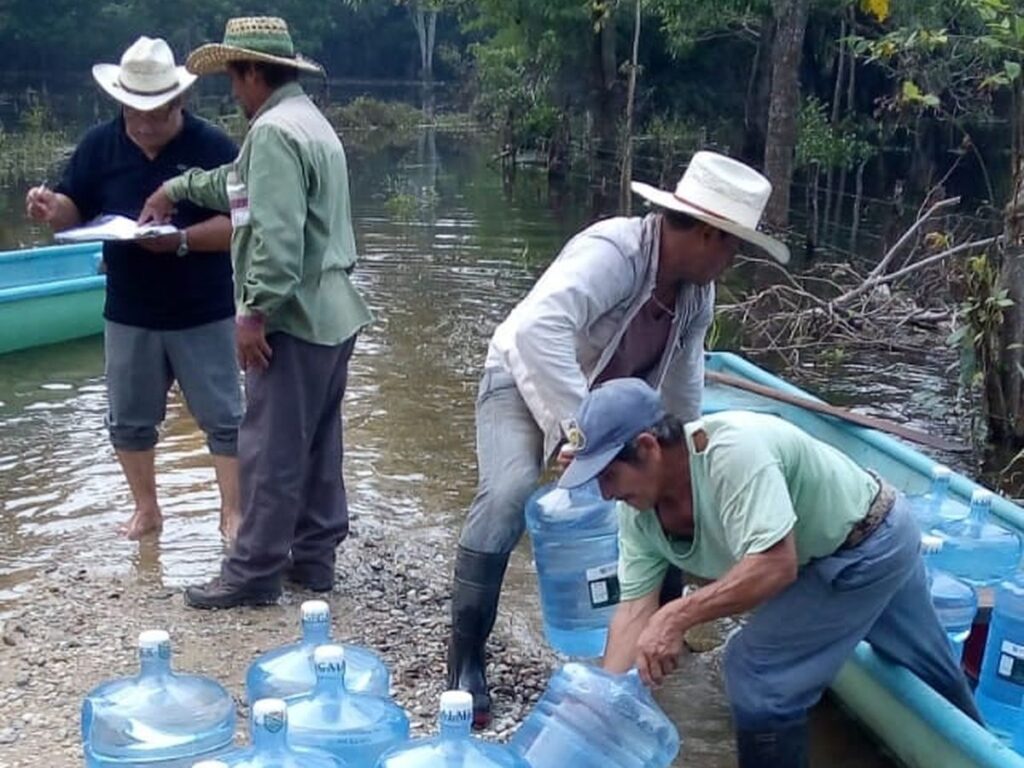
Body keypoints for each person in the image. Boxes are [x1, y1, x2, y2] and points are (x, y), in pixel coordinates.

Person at [447, 150, 791, 726]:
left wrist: (689, 473)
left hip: (600, 414)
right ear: (707, 234)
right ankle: (465, 662)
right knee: (510, 492)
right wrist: (579, 433)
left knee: (663, 495)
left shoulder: (695, 294)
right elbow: (537, 332)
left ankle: (650, 653)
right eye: (731, 245)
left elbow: (680, 397)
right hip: (522, 378)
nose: (733, 259)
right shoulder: (615, 253)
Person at [559, 378, 982, 767]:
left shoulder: (731, 454)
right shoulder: (637, 513)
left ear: (649, 447)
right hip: (826, 549)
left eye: (610, 475)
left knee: (756, 673)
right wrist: (603, 706)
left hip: (867, 543)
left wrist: (676, 615)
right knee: (937, 677)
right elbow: (633, 610)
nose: (605, 493)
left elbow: (774, 565)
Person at [139, 16, 372, 609]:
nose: (231, 93)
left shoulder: (273, 133)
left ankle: (252, 572)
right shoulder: (307, 122)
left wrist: (252, 314)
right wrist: (179, 187)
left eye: (233, 79)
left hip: (293, 316)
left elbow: (275, 235)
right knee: (319, 444)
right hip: (335, 313)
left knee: (268, 446)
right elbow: (241, 187)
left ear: (251, 73)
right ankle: (314, 560)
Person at [25, 37, 242, 542]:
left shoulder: (214, 148)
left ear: (179, 104)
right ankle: (147, 510)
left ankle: (232, 513)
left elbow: (245, 224)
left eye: (156, 116)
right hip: (129, 307)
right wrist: (50, 208)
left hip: (203, 306)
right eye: (133, 114)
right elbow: (74, 208)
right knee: (128, 419)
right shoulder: (99, 145)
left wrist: (182, 240)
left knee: (226, 419)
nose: (143, 126)